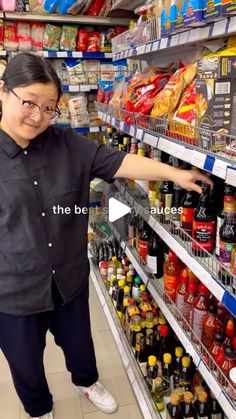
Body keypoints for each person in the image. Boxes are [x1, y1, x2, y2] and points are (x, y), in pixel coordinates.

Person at [0, 53, 212, 419]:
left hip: (68, 279)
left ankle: (86, 381)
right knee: (26, 363)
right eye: (29, 102)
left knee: (80, 345)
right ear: (4, 93)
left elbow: (119, 162)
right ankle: (38, 409)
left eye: (49, 108)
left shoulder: (67, 144)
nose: (38, 116)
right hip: (14, 290)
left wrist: (175, 175)